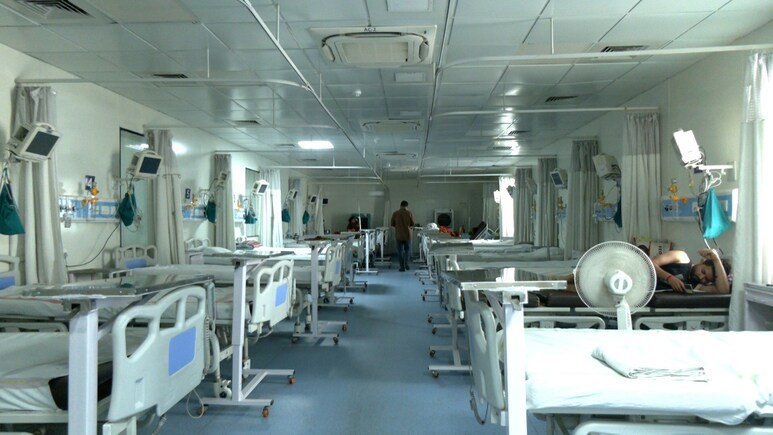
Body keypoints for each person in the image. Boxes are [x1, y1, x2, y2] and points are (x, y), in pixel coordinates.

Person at [652, 247, 732, 294]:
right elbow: (649, 263)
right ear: (702, 261)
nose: (701, 277)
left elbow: (723, 291)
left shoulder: (697, 287)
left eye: (706, 279)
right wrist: (669, 278)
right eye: (703, 271)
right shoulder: (681, 257)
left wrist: (716, 260)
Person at [390, 200, 415, 272]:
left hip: (399, 235)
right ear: (407, 206)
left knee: (400, 251)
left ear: (400, 205)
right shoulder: (409, 213)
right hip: (407, 235)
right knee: (407, 250)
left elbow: (392, 223)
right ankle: (406, 263)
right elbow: (412, 223)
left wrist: (398, 226)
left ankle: (402, 267)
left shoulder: (395, 213)